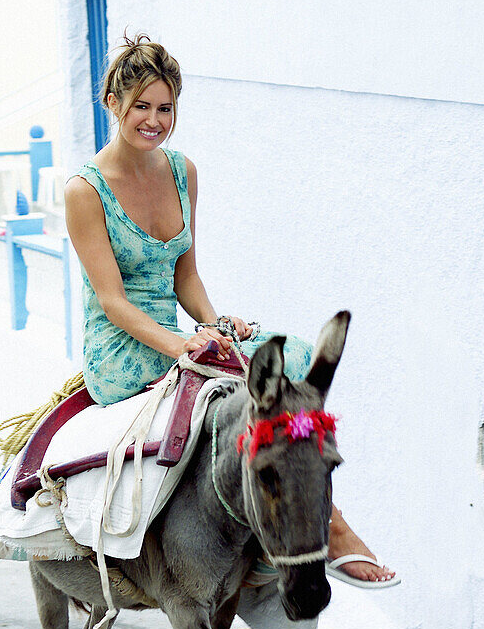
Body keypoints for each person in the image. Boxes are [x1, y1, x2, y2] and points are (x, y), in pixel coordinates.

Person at [64, 34, 397, 589]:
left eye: (165, 108)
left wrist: (215, 325)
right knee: (238, 388)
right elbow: (112, 301)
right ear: (113, 104)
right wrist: (184, 346)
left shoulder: (181, 171)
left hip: (177, 335)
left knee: (293, 358)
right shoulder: (85, 190)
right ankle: (325, 529)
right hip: (123, 350)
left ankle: (299, 522)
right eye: (140, 106)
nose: (153, 120)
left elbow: (185, 276)